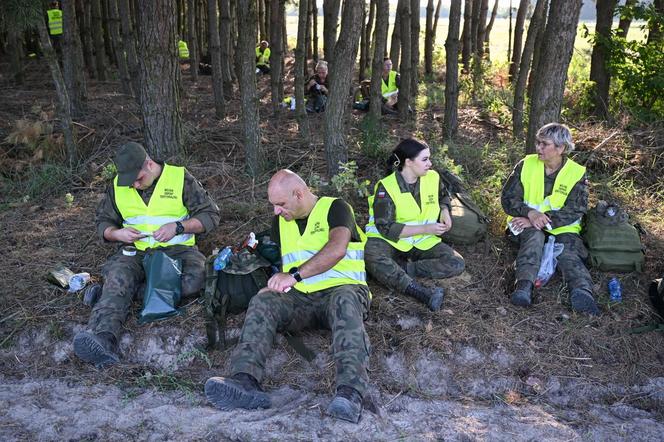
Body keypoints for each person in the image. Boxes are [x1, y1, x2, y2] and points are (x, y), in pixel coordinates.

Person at [205, 169, 372, 424]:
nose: (276, 211)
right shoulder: (281, 222)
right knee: (263, 300)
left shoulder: (336, 208)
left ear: (298, 193)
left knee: (345, 301)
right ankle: (245, 382)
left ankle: (350, 394)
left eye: (280, 204)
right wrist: (273, 283)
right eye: (273, 205)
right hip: (303, 299)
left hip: (344, 291)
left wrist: (293, 276)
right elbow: (285, 261)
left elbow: (337, 249)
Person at [73, 142, 220, 368]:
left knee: (196, 281)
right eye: (129, 180)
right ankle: (103, 339)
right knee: (119, 274)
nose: (134, 184)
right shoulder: (118, 186)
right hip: (135, 252)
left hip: (177, 251)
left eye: (138, 178)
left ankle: (110, 293)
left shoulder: (180, 178)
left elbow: (210, 215)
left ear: (150, 165)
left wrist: (179, 227)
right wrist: (117, 233)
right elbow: (102, 222)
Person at [501, 123, 599, 315]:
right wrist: (530, 214)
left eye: (544, 144)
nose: (538, 148)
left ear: (561, 148)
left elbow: (575, 209)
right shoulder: (526, 164)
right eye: (538, 142)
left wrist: (540, 220)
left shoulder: (576, 172)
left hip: (562, 228)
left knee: (568, 253)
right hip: (524, 224)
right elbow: (507, 199)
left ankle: (582, 292)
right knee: (534, 238)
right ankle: (523, 287)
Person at [364, 139, 465, 311]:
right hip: (388, 240)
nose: (430, 164)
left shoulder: (432, 177)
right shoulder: (386, 187)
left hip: (420, 241)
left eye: (429, 159)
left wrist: (445, 211)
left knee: (456, 262)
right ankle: (419, 292)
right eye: (425, 159)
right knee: (371, 256)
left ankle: (402, 268)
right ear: (408, 162)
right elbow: (386, 228)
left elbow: (443, 196)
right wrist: (427, 228)